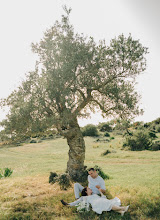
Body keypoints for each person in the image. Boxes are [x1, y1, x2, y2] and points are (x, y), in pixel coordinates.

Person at [61, 187, 129, 216]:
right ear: (86, 191)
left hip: (101, 200)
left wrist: (100, 192)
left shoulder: (95, 194)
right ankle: (123, 208)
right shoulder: (84, 197)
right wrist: (68, 204)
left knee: (107, 202)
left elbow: (103, 197)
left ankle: (121, 211)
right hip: (97, 204)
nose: (90, 189)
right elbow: (75, 202)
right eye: (89, 189)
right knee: (107, 203)